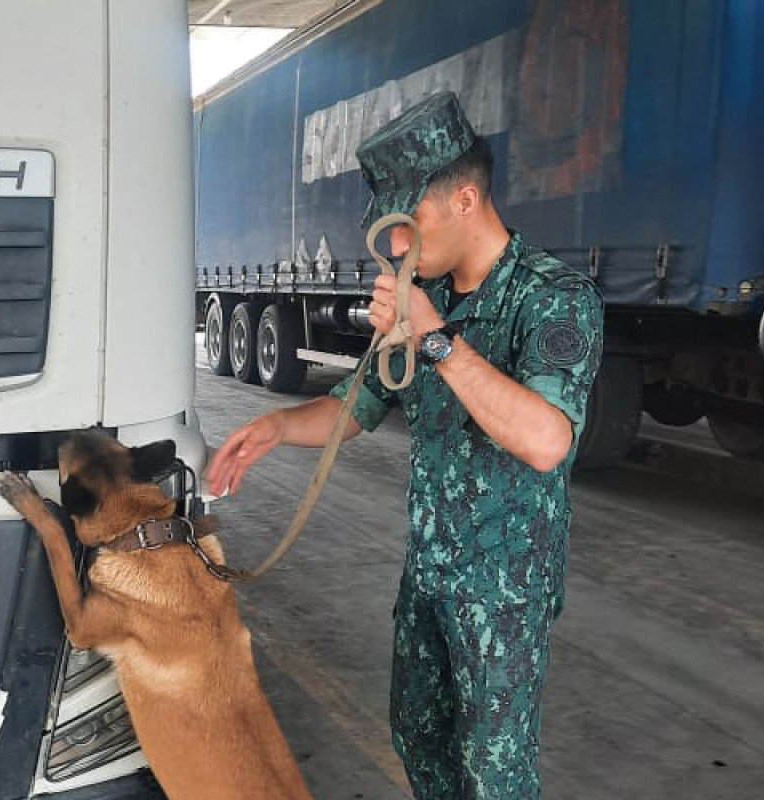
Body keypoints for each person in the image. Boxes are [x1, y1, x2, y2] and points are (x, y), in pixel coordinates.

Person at [207, 91, 604, 800]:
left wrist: (437, 340)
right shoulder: (428, 298)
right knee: (417, 732)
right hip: (430, 575)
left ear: (466, 200)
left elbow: (546, 441)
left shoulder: (553, 298)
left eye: (408, 221)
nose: (396, 246)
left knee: (494, 773)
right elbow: (355, 408)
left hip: (502, 593)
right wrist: (274, 427)